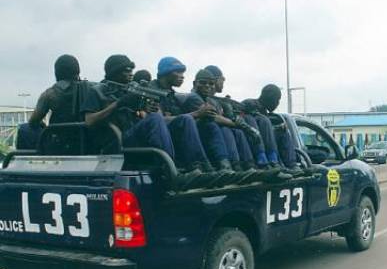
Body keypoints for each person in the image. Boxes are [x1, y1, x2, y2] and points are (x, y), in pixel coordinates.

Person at [81, 54, 218, 190]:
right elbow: (89, 120)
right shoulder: (98, 91)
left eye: (131, 70)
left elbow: (143, 114)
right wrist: (118, 104)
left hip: (135, 134)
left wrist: (146, 108)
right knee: (156, 118)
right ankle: (171, 171)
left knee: (185, 119)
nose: (130, 73)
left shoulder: (131, 88)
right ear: (114, 72)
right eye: (126, 70)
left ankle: (200, 167)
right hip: (116, 140)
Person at [148, 57, 235, 175]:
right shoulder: (151, 90)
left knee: (207, 123)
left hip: (172, 137)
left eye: (182, 72)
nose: (182, 76)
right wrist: (197, 113)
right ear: (165, 73)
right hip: (156, 137)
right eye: (178, 72)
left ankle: (227, 165)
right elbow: (159, 121)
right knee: (187, 119)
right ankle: (197, 165)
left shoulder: (172, 95)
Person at [17, 54, 83, 149]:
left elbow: (33, 123)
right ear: (77, 71)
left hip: (58, 143)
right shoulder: (90, 90)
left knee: (24, 129)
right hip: (85, 141)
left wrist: (42, 124)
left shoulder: (50, 94)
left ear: (57, 73)